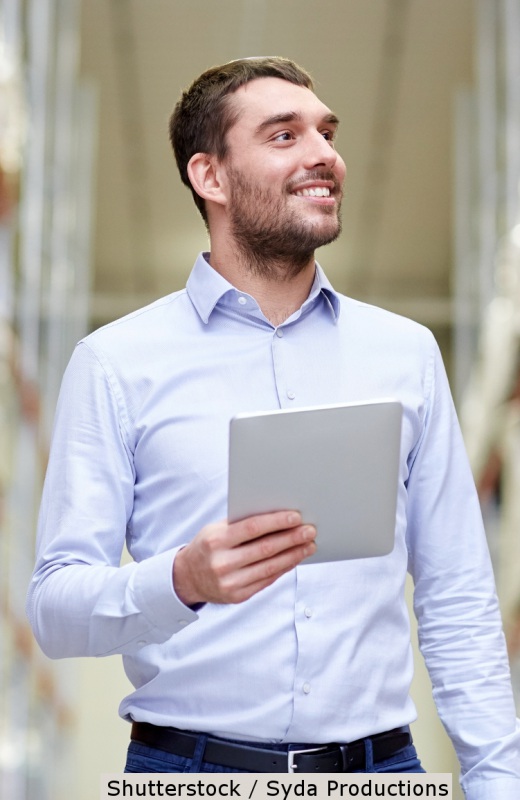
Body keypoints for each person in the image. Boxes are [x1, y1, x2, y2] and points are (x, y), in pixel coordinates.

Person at [26, 57, 520, 793]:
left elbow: (457, 596)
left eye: (327, 132)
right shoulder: (115, 364)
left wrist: (498, 779)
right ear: (211, 177)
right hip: (184, 774)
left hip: (380, 773)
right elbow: (55, 608)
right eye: (285, 135)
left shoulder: (407, 355)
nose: (325, 154)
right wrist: (180, 580)